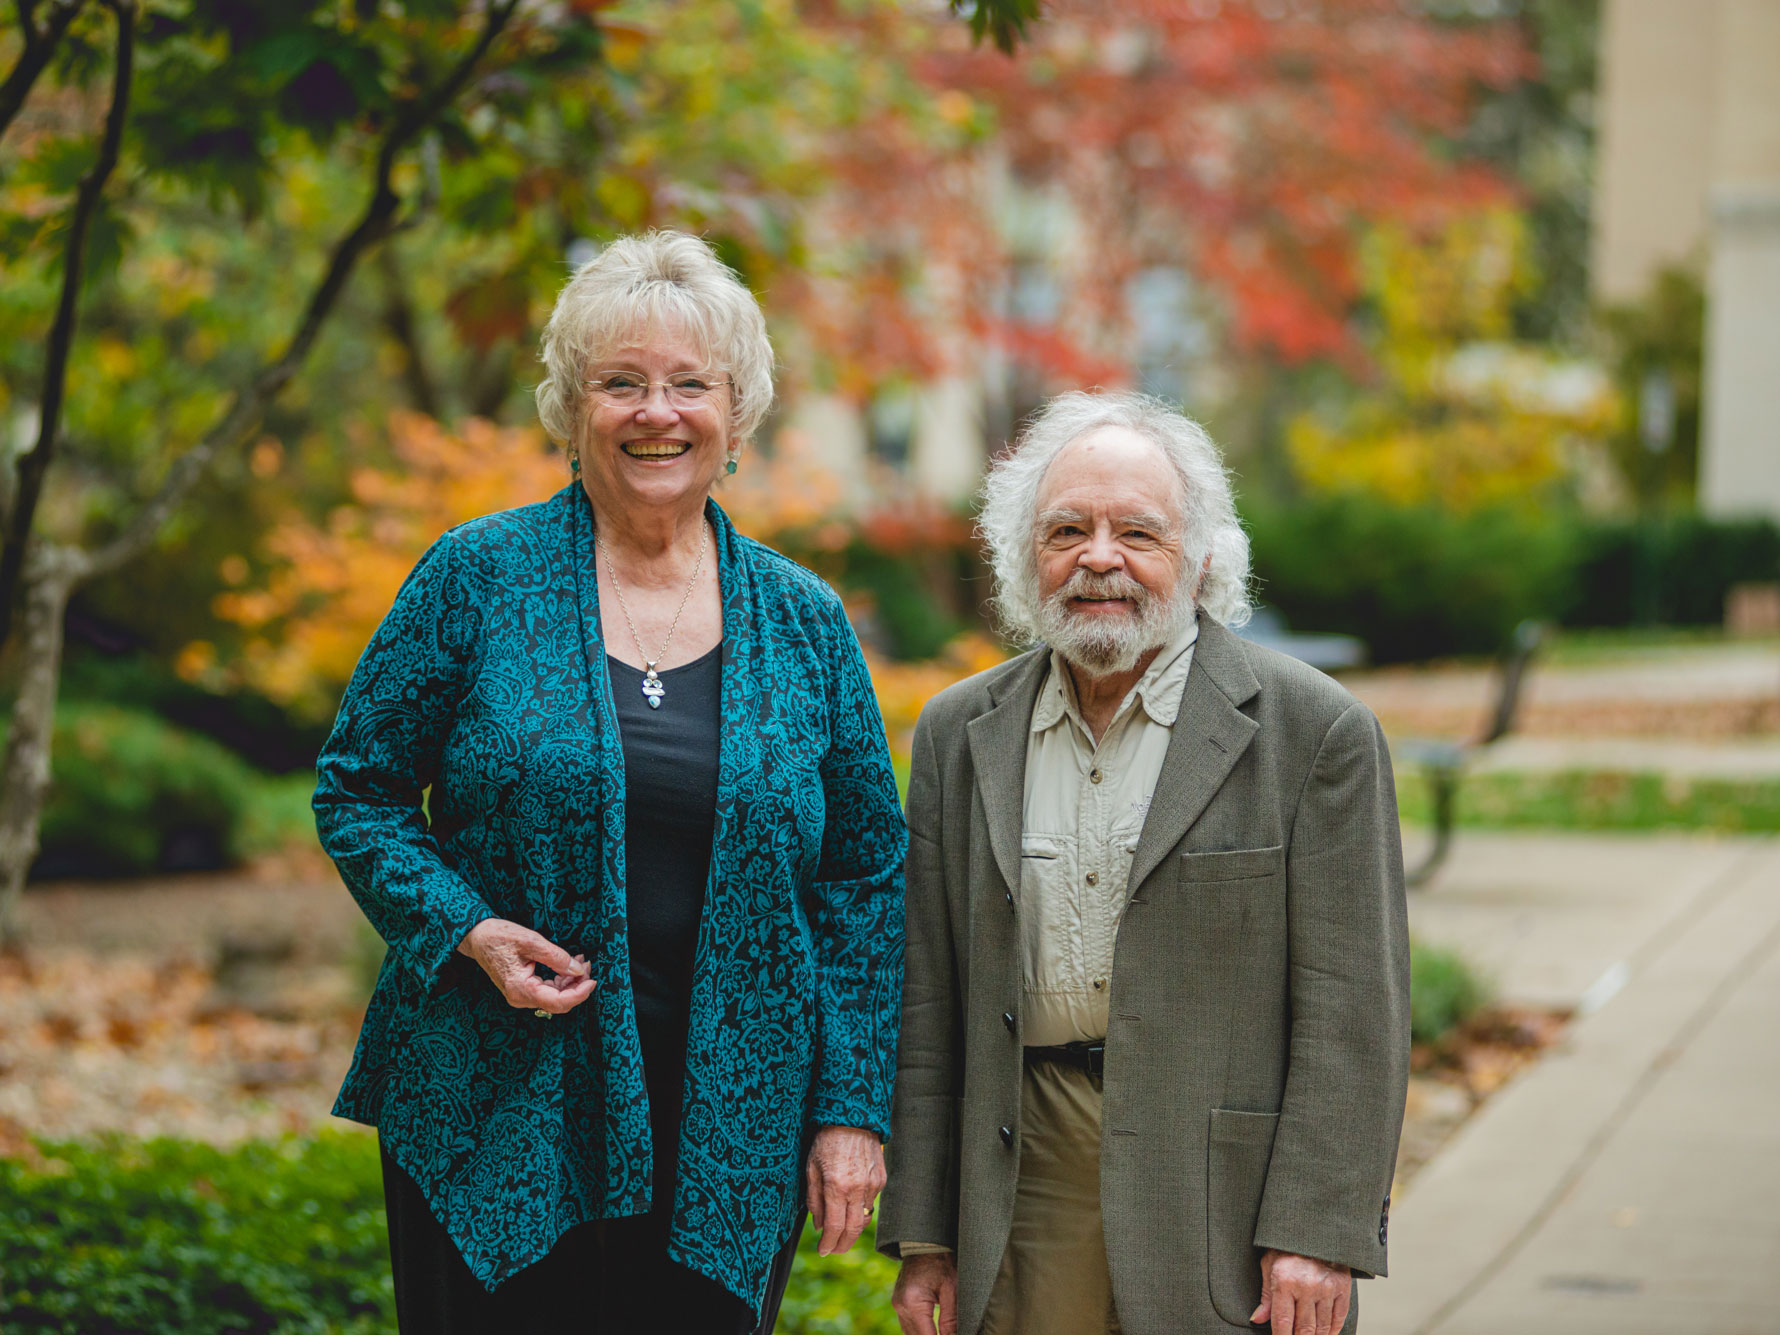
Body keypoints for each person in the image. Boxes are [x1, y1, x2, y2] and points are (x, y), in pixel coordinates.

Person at [314, 230, 905, 1334]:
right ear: (571, 408)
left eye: (691, 384)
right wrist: (465, 929)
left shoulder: (805, 622)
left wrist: (849, 1111)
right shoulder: (474, 575)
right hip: (497, 1098)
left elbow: (866, 879)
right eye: (620, 383)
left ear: (738, 414)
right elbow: (358, 789)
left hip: (730, 1120)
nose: (656, 412)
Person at [878, 391, 1409, 1335]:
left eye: (1138, 532)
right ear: (1022, 555)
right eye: (1067, 529)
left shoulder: (1314, 732)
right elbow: (929, 1001)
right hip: (1021, 1169)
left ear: (1200, 558)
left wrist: (1318, 1229)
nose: (1098, 558)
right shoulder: (961, 733)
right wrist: (926, 1230)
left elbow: (1354, 1007)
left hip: (1225, 1195)